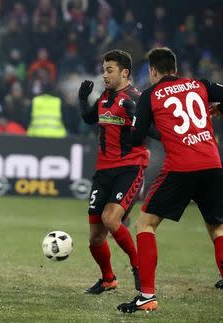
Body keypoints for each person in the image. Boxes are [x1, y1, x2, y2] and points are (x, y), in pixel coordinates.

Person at [117, 47, 223, 313]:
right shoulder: (199, 84)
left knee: (145, 225)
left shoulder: (150, 95)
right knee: (217, 227)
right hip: (212, 163)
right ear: (174, 68)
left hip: (181, 167)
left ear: (153, 70)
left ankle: (147, 296)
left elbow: (136, 138)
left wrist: (135, 116)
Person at [78, 50, 149, 294]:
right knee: (95, 238)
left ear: (124, 72)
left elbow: (148, 132)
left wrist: (137, 122)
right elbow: (89, 119)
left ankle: (139, 266)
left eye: (109, 70)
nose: (104, 75)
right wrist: (83, 98)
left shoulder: (135, 98)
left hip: (130, 167)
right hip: (104, 170)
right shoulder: (106, 97)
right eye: (104, 70)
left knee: (111, 219)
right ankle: (108, 279)